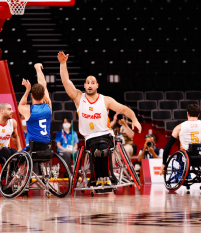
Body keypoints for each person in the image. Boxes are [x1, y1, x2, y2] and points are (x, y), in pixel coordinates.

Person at [58, 51, 142, 186]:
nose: (90, 85)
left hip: (106, 135)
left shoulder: (105, 100)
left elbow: (124, 109)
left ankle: (108, 176)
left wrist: (135, 120)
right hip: (89, 138)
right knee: (95, 151)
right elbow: (66, 81)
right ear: (85, 86)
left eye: (93, 82)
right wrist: (63, 64)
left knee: (103, 148)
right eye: (87, 83)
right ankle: (96, 179)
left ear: (97, 85)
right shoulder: (79, 98)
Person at [160, 104, 201, 175]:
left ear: (187, 113)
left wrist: (164, 164)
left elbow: (168, 146)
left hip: (186, 158)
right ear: (199, 115)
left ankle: (184, 174)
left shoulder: (179, 127)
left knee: (180, 153)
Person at [18, 63, 52, 151]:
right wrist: (38, 69)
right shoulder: (48, 106)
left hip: (33, 148)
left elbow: (20, 105)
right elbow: (43, 84)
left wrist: (27, 90)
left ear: (32, 95)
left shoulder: (28, 110)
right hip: (46, 146)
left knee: (16, 154)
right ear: (44, 95)